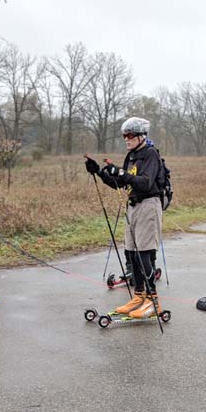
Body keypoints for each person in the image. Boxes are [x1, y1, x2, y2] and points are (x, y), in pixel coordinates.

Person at [85, 117, 163, 318]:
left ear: (141, 136)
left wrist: (119, 171)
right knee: (131, 252)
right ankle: (139, 295)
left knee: (144, 252)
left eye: (130, 135)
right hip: (133, 205)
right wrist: (101, 173)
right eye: (124, 135)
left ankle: (152, 301)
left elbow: (144, 183)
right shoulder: (131, 156)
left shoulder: (150, 154)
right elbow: (120, 183)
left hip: (148, 204)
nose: (126, 139)